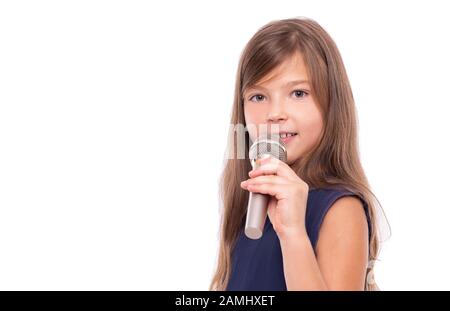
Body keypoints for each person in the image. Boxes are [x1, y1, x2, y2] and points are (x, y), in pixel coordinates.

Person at [209, 17, 389, 291]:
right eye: (259, 97)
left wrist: (293, 234)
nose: (275, 113)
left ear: (331, 104)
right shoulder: (250, 209)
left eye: (298, 93)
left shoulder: (341, 210)